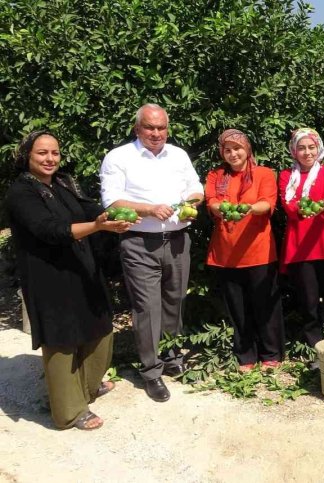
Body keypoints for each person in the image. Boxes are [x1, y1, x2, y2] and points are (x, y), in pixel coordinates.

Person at [6, 131, 133, 430]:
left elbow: (87, 208)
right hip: (49, 276)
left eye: (55, 153)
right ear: (27, 156)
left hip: (81, 267)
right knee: (62, 338)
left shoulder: (62, 183)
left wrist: (110, 214)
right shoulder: (20, 193)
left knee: (98, 326)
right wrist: (97, 225)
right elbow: (50, 230)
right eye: (42, 153)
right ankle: (69, 411)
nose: (50, 159)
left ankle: (88, 387)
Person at [99, 103, 204, 402]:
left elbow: (196, 187)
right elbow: (112, 202)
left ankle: (171, 357)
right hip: (139, 242)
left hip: (177, 240)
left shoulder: (178, 155)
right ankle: (151, 372)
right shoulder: (119, 157)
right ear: (137, 129)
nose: (156, 133)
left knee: (175, 300)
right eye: (150, 127)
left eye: (161, 127)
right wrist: (148, 209)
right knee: (147, 308)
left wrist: (192, 203)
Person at [205, 129, 284, 372]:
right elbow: (212, 202)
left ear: (247, 149)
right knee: (238, 309)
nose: (233, 154)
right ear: (222, 153)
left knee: (265, 306)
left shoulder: (264, 173)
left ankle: (271, 353)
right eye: (227, 150)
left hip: (258, 250)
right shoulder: (216, 175)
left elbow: (268, 202)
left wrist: (246, 209)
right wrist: (222, 209)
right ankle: (245, 355)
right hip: (226, 253)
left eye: (237, 148)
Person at [279, 128, 324, 361]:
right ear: (294, 151)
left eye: (311, 147)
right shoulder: (287, 176)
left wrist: (317, 207)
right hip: (300, 248)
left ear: (318, 149)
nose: (307, 152)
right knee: (308, 303)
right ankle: (317, 351)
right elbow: (288, 205)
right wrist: (303, 208)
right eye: (301, 148)